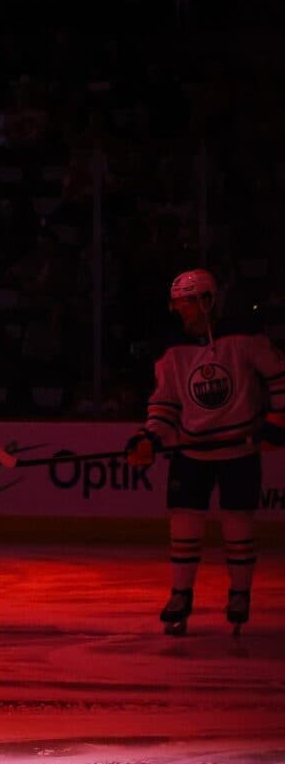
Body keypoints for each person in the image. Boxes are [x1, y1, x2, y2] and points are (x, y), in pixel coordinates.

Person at [129, 268, 284, 634]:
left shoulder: (244, 337)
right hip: (192, 451)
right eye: (177, 303)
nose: (178, 310)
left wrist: (277, 421)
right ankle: (180, 594)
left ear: (206, 301)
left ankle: (240, 594)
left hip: (239, 451)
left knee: (237, 524)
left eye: (185, 302)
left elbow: (280, 379)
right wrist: (148, 436)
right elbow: (164, 404)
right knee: (184, 522)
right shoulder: (172, 349)